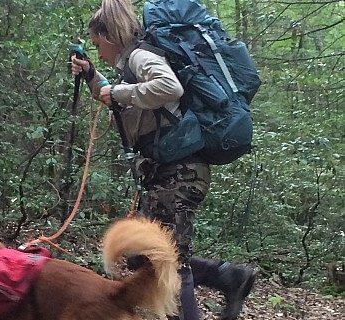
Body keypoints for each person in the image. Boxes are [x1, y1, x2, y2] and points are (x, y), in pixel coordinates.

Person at [70, 1, 257, 319]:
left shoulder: (141, 56)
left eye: (98, 45)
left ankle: (228, 281)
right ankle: (230, 277)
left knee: (169, 261)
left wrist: (119, 93)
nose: (99, 52)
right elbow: (120, 95)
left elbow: (169, 87)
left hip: (180, 173)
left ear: (110, 36)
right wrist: (92, 75)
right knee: (142, 256)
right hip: (167, 172)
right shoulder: (130, 63)